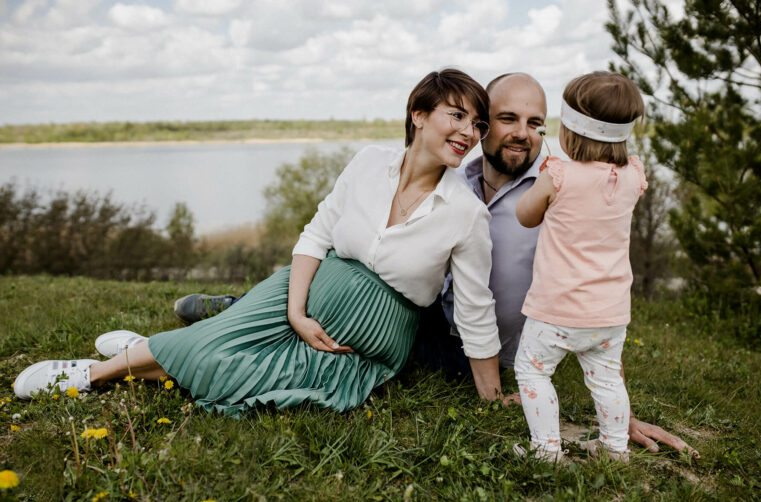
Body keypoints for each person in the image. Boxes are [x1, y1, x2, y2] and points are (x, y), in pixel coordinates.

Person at [13, 69, 511, 413]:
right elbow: (316, 235)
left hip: (369, 328)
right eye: (456, 115)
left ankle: (133, 357)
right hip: (307, 287)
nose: (469, 132)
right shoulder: (367, 163)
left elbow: (474, 308)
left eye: (477, 123)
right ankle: (95, 373)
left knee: (233, 370)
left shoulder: (466, 214)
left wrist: (491, 395)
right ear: (418, 115)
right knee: (218, 340)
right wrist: (296, 311)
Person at [415, 72, 699, 457]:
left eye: (535, 123)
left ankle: (549, 450)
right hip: (435, 332)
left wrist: (624, 418)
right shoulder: (452, 177)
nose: (523, 133)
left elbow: (592, 282)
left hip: (510, 352)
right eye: (508, 118)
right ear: (481, 123)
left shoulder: (560, 187)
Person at [512, 71, 645, 462]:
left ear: (570, 132)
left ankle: (546, 450)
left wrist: (545, 179)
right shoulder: (634, 176)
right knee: (607, 378)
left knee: (533, 370)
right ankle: (614, 449)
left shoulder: (558, 175)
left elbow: (525, 216)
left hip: (556, 309)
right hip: (610, 313)